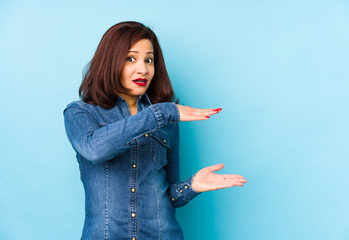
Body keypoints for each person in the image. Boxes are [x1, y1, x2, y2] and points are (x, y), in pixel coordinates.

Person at [63, 21, 247, 240]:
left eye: (149, 60)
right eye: (131, 58)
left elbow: (168, 197)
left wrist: (192, 186)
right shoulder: (80, 112)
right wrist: (158, 114)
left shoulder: (167, 120)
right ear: (111, 61)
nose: (143, 69)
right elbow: (94, 150)